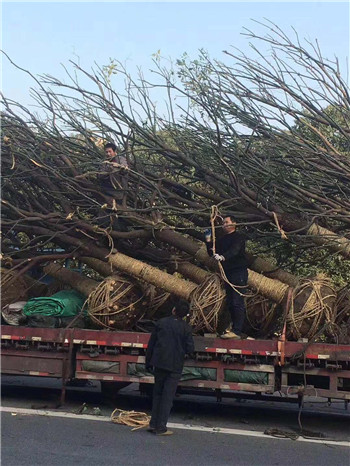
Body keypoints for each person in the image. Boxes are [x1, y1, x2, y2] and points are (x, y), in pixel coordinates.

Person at [145, 300, 194, 436]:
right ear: (184, 315)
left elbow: (151, 345)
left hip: (159, 363)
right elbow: (190, 349)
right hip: (175, 366)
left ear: (173, 310)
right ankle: (161, 427)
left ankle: (153, 424)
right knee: (167, 397)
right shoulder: (186, 328)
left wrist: (148, 363)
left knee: (157, 394)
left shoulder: (161, 323)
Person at [205, 215, 249, 339]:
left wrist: (223, 257)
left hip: (238, 272)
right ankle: (232, 328)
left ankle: (237, 330)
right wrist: (208, 237)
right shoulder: (222, 239)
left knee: (237, 301)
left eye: (226, 222)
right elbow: (211, 252)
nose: (224, 224)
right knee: (230, 302)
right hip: (228, 272)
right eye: (223, 222)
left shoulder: (239, 237)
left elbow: (234, 251)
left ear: (234, 223)